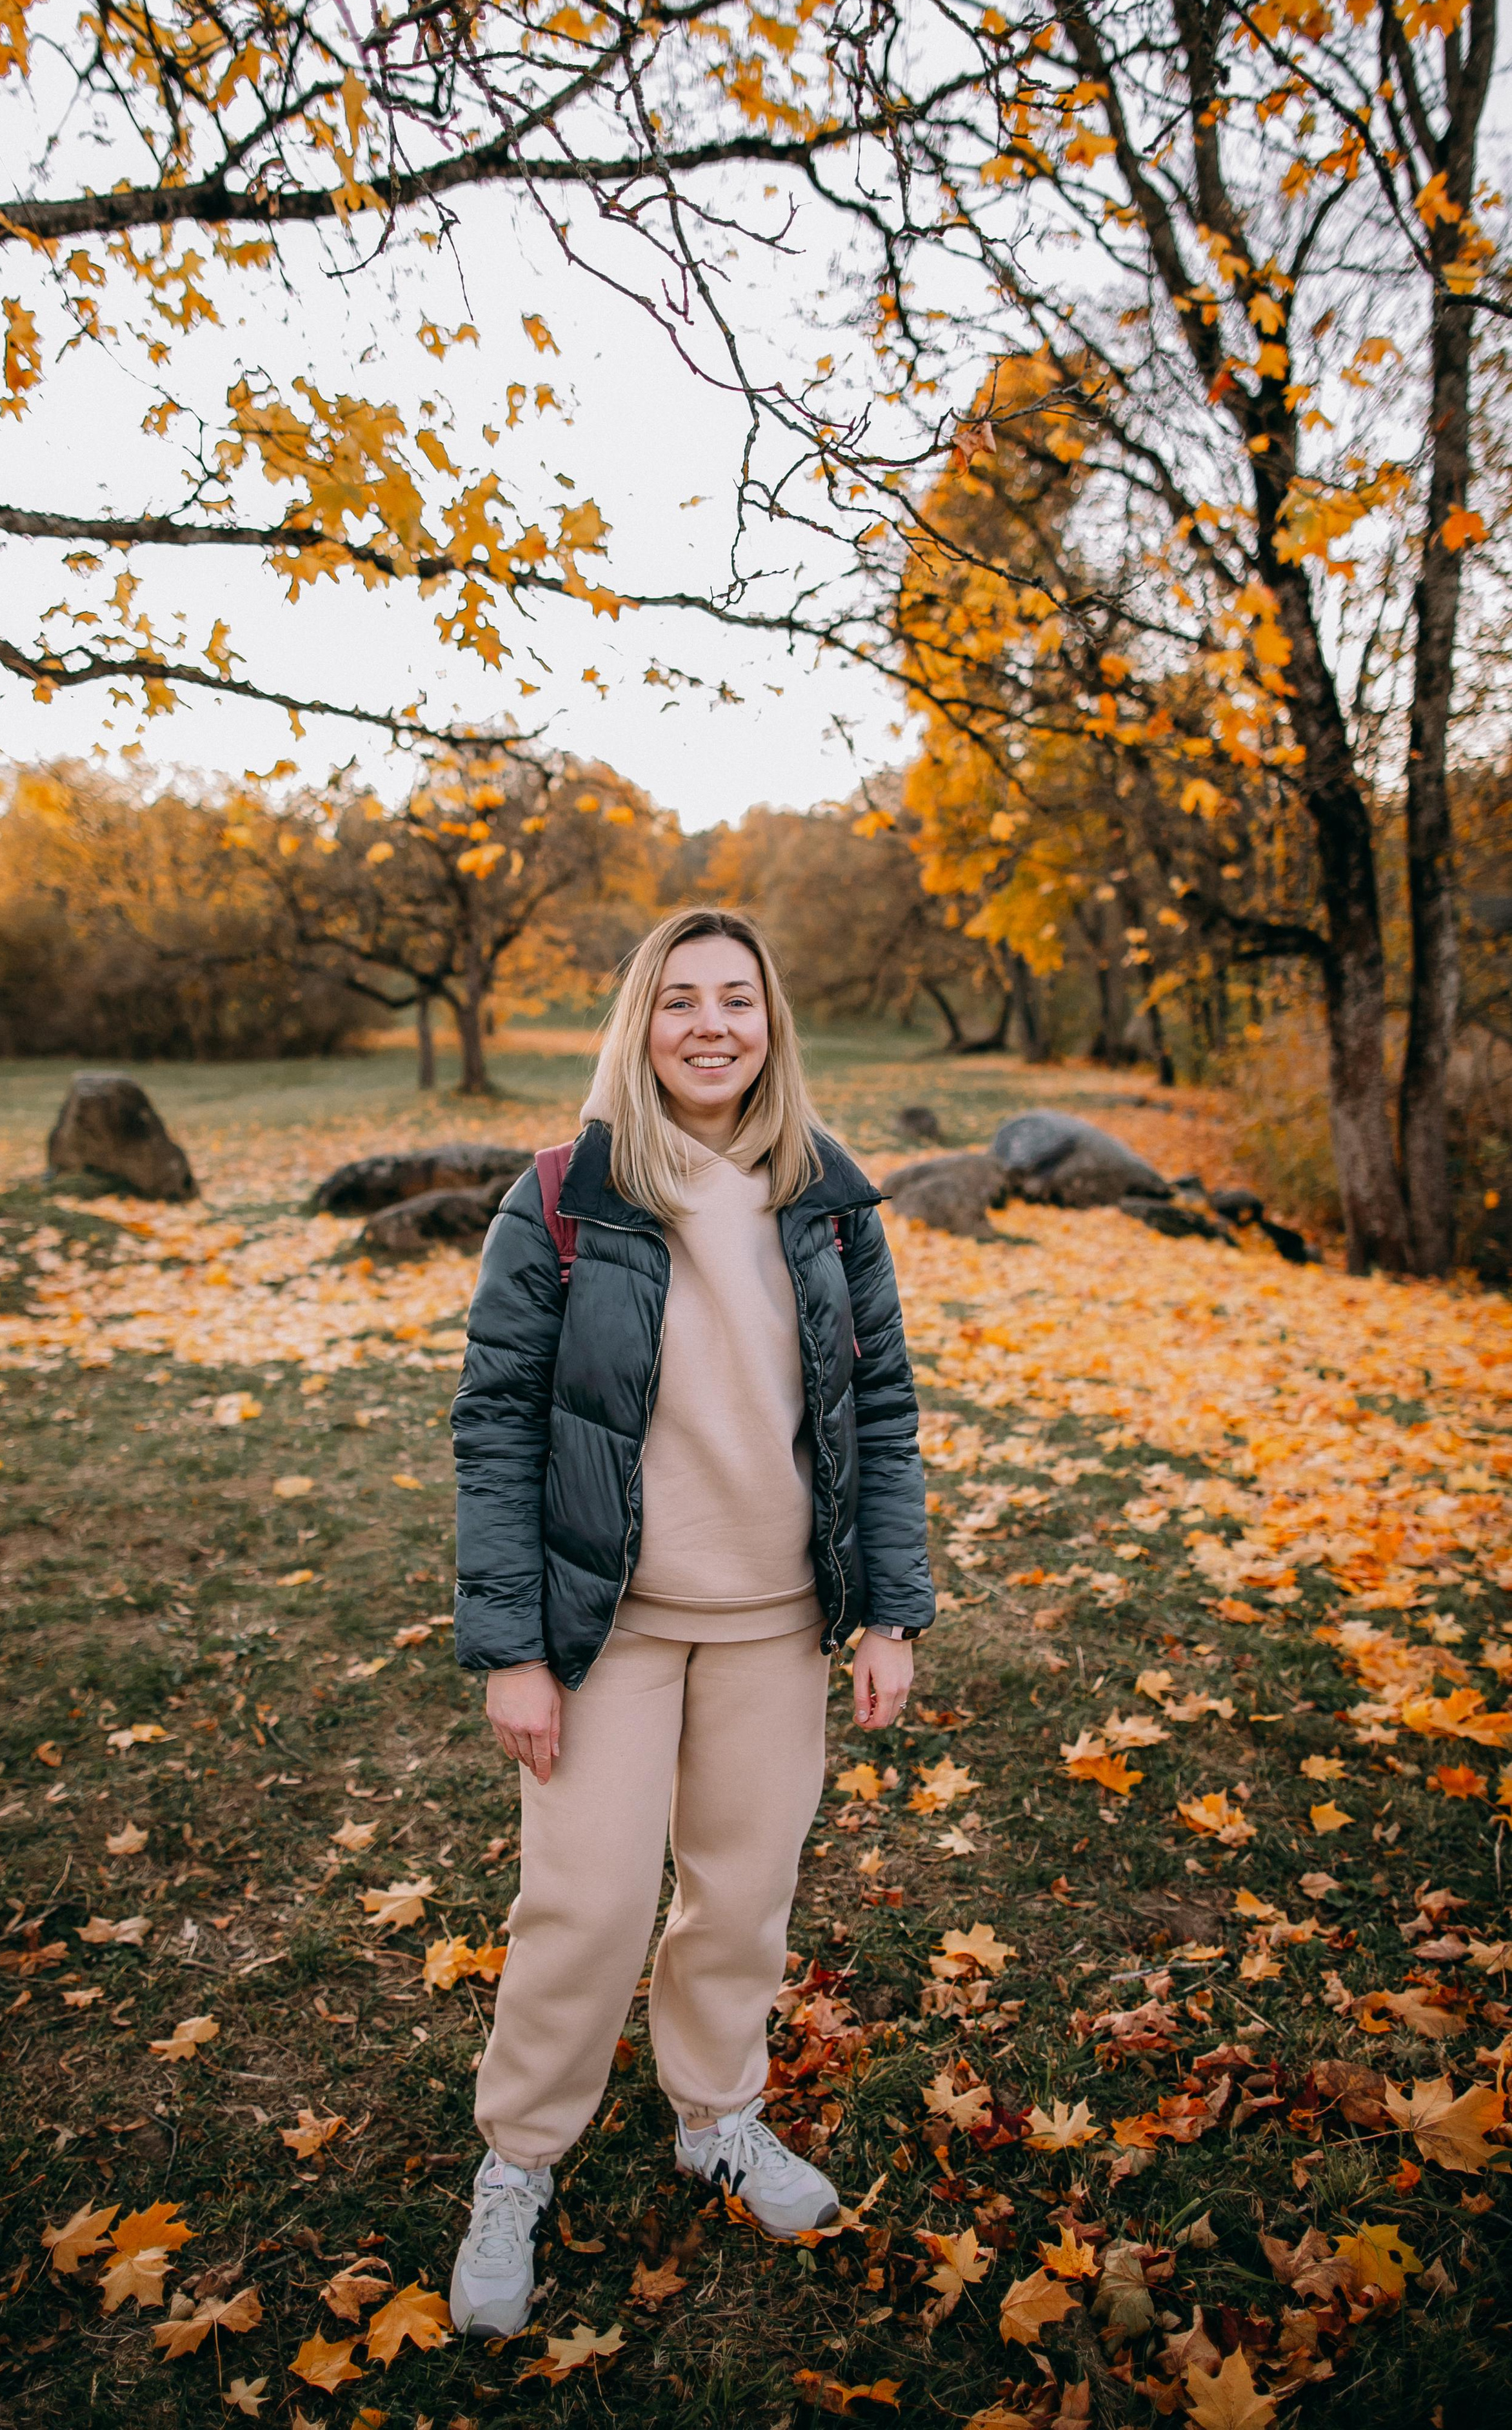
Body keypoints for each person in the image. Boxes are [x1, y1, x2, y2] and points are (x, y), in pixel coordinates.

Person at [446, 907, 934, 2336]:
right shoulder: (561, 1199)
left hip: (777, 1621)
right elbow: (493, 1427)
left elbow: (883, 1415)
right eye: (678, 1002)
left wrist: (887, 1615)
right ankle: (519, 2160)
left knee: (740, 1897)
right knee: (585, 1907)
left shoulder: (832, 1203)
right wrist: (514, 1648)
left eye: (735, 998)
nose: (709, 1025)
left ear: (770, 1022)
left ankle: (715, 2114)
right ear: (639, 1027)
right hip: (608, 1627)